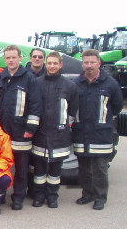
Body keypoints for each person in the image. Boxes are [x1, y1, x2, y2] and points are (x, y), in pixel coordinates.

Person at [0, 45, 41, 210]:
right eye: (8, 58)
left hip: (21, 132)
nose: (10, 60)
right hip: (1, 132)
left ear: (20, 58)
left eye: (13, 57)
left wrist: (30, 128)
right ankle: (0, 194)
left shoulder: (30, 80)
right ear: (5, 59)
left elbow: (36, 106)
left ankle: (18, 197)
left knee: (21, 169)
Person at [72, 49, 123, 210]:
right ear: (82, 64)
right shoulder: (76, 83)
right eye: (86, 62)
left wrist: (103, 121)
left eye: (92, 62)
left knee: (100, 168)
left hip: (101, 133)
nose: (89, 65)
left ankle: (100, 197)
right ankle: (87, 193)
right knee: (84, 167)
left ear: (99, 62)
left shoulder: (110, 83)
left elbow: (117, 106)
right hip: (81, 132)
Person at [32, 51, 78, 209]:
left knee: (55, 171)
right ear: (46, 63)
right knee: (38, 171)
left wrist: (64, 125)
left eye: (55, 63)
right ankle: (38, 196)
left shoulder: (70, 85)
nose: (52, 66)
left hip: (59, 135)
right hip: (40, 134)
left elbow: (72, 110)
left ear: (61, 65)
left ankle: (52, 197)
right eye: (49, 63)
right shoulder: (37, 83)